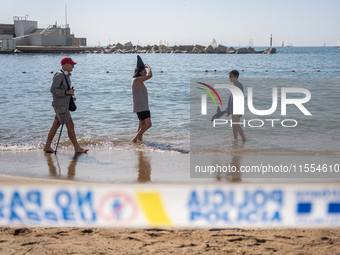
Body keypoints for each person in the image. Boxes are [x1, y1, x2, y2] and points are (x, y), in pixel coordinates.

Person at [43, 57, 88, 153]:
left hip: (62, 104)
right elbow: (53, 89)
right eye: (72, 65)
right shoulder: (59, 75)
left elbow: (66, 89)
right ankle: (77, 148)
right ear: (66, 65)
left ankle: (47, 146)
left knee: (56, 124)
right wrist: (67, 92)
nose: (73, 67)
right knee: (70, 125)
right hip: (61, 105)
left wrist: (71, 96)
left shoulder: (65, 75)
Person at [131, 55, 153, 143]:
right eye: (144, 71)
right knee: (148, 124)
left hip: (140, 106)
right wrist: (148, 67)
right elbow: (150, 75)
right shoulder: (138, 80)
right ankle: (134, 139)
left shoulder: (136, 80)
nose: (146, 73)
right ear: (140, 73)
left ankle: (139, 140)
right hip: (142, 106)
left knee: (141, 124)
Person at [226, 70, 246, 142]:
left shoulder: (239, 85)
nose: (229, 78)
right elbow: (231, 98)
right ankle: (235, 139)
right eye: (229, 76)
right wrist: (228, 107)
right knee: (233, 125)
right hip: (232, 107)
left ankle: (244, 139)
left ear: (236, 76)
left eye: (231, 76)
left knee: (236, 125)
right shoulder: (233, 86)